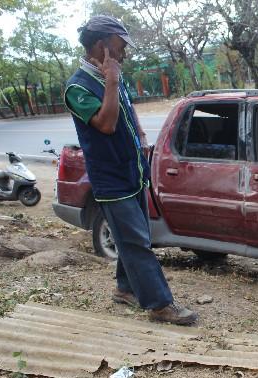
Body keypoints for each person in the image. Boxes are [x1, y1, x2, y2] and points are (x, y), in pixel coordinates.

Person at [64, 15, 198, 325]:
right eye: (120, 46)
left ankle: (125, 289)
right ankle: (160, 304)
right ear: (102, 45)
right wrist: (111, 80)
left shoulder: (114, 77)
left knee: (134, 235)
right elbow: (106, 124)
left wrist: (142, 140)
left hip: (132, 171)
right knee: (137, 241)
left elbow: (127, 109)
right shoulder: (78, 88)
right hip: (110, 180)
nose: (124, 53)